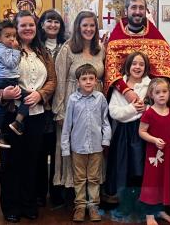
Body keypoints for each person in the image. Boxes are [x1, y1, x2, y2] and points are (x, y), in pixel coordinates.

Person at [0, 10, 57, 223]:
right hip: (10, 113)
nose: (27, 29)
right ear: (15, 28)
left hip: (36, 114)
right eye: (23, 25)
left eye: (31, 25)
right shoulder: (3, 49)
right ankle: (11, 206)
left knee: (32, 161)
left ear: (36, 28)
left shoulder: (42, 51)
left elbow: (52, 80)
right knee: (10, 162)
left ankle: (28, 203)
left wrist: (40, 94)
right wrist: (1, 93)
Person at [52, 10, 105, 190]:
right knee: (72, 143)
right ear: (77, 27)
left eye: (92, 25)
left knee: (92, 142)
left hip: (95, 104)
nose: (89, 29)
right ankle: (71, 189)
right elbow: (59, 79)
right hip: (71, 102)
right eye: (85, 25)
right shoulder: (68, 49)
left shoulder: (100, 49)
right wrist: (59, 109)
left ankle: (93, 190)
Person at [61, 64, 111, 222]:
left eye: (91, 78)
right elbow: (67, 124)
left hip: (96, 147)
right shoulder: (73, 99)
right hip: (78, 147)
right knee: (80, 178)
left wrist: (105, 140)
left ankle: (93, 206)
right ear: (78, 82)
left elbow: (105, 122)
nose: (88, 82)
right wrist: (65, 147)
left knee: (94, 177)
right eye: (84, 79)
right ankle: (80, 206)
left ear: (96, 80)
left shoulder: (100, 98)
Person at [104, 0, 170, 101]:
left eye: (141, 8)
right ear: (126, 11)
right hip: (121, 96)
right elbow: (111, 70)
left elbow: (167, 69)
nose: (137, 12)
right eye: (133, 7)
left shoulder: (156, 38)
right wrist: (126, 91)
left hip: (151, 97)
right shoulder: (116, 38)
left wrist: (152, 93)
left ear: (145, 11)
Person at [106, 51, 151, 221]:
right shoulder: (120, 86)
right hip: (124, 133)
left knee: (140, 169)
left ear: (146, 67)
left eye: (141, 64)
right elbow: (114, 112)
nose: (137, 67)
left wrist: (142, 111)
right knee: (123, 168)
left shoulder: (149, 85)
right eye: (134, 64)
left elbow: (152, 109)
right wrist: (134, 110)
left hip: (144, 132)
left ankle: (140, 204)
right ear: (128, 66)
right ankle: (124, 204)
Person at [139, 78, 170, 225]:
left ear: (169, 94)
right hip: (154, 154)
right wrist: (154, 140)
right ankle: (149, 215)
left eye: (164, 92)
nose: (161, 95)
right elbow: (142, 132)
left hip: (169, 153)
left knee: (165, 180)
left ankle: (161, 209)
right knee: (153, 181)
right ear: (151, 95)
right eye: (158, 92)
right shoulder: (149, 113)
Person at [35, 9, 67, 208]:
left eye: (56, 22)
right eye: (49, 21)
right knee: (40, 150)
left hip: (62, 104)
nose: (53, 25)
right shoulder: (35, 47)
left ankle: (57, 191)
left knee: (59, 151)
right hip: (41, 104)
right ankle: (39, 193)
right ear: (42, 24)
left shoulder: (67, 46)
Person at [0, 19, 29, 149]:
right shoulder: (2, 50)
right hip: (6, 80)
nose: (12, 39)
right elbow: (11, 64)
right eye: (8, 36)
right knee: (24, 99)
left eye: (13, 36)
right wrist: (16, 50)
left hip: (6, 79)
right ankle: (14, 124)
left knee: (1, 107)